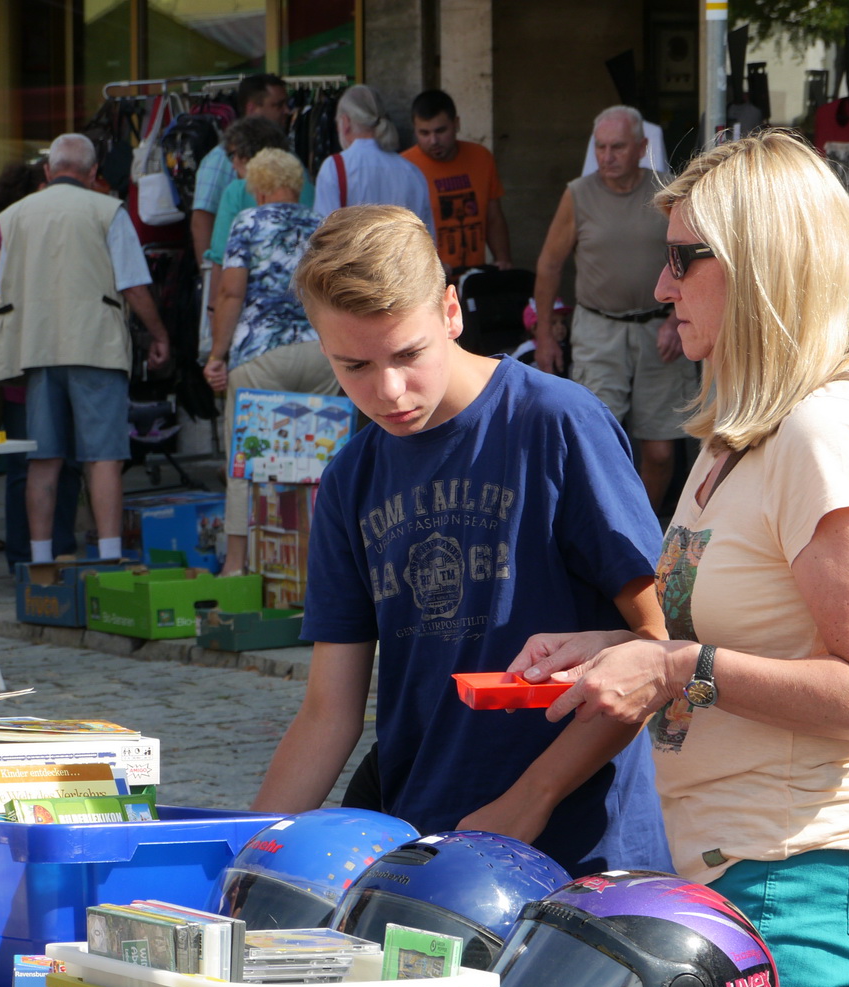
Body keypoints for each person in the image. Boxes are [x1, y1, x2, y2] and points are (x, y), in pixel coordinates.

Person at [511, 130, 849, 987]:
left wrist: (671, 665)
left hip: (800, 864)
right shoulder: (743, 431)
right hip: (744, 864)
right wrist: (607, 645)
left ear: (764, 264)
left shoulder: (826, 430)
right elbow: (726, 631)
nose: (661, 286)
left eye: (684, 258)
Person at [250, 205, 672, 880]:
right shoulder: (352, 477)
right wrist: (244, 859)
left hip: (581, 854)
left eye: (408, 355)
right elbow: (329, 713)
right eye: (354, 365)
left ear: (451, 312)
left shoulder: (557, 425)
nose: (388, 390)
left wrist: (530, 799)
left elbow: (660, 644)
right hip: (428, 851)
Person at [0, 133, 170, 564]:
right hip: (95, 346)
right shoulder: (107, 210)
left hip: (36, 348)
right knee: (104, 456)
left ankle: (40, 560)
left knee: (43, 458)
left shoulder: (14, 215)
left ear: (49, 170)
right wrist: (159, 335)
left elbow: (2, 286)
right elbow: (133, 285)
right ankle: (109, 554)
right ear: (93, 173)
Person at [533, 106, 695, 514]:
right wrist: (543, 335)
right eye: (601, 147)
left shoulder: (668, 191)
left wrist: (677, 319)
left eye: (618, 147)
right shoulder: (578, 194)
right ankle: (602, 528)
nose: (607, 156)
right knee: (595, 441)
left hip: (659, 332)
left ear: (641, 147)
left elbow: (693, 262)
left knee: (660, 452)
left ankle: (641, 528)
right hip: (598, 331)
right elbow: (549, 265)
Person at [203, 148, 335, 576]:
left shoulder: (248, 222)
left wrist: (217, 355)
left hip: (260, 356)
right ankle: (315, 571)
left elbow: (230, 293)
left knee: (248, 462)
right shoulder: (322, 225)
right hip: (321, 354)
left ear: (258, 188)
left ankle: (237, 567)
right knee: (318, 464)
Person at [0, 161, 82, 567]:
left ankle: (61, 548)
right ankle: (25, 557)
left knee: (63, 460)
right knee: (27, 459)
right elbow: (6, 290)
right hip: (21, 357)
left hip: (53, 351)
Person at [401, 89, 511, 274]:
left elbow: (493, 217)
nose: (433, 140)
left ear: (456, 124)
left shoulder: (481, 157)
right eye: (424, 133)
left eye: (440, 131)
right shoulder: (404, 167)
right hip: (428, 280)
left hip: (474, 276)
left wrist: (504, 261)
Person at [190, 74, 290, 268]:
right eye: (277, 105)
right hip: (235, 271)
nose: (287, 111)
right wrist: (209, 274)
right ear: (252, 109)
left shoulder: (286, 153)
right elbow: (202, 219)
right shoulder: (222, 158)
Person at [313, 86, 435, 243]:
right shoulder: (412, 172)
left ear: (345, 122)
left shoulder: (334, 169)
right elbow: (427, 241)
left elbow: (324, 239)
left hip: (353, 259)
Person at [201, 116, 312, 271]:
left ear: (248, 154)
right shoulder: (306, 185)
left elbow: (221, 257)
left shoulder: (237, 191)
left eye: (232, 155)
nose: (233, 165)